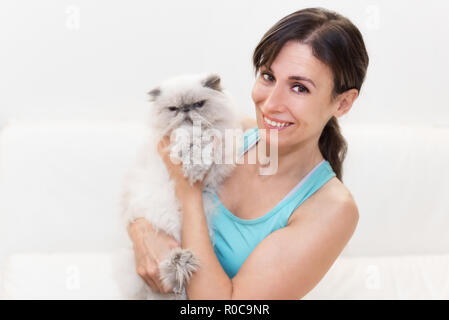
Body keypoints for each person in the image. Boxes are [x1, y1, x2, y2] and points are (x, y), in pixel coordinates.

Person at [127, 7, 369, 299]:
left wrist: (188, 190)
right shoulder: (232, 132)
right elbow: (144, 181)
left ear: (343, 103)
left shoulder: (333, 209)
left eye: (299, 88)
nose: (270, 104)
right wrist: (141, 232)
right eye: (268, 76)